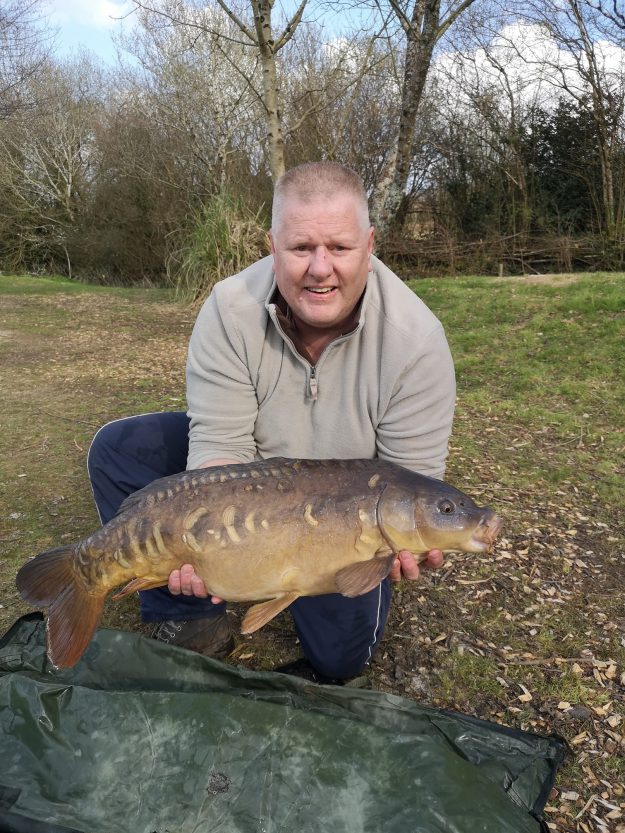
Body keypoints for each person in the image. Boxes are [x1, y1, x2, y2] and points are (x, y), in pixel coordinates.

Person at [87, 162, 456, 683]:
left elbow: (410, 481)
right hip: (252, 481)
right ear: (272, 245)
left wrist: (407, 548)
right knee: (122, 446)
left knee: (338, 661)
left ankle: (295, 598)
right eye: (301, 248)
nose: (320, 268)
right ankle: (189, 615)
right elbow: (219, 447)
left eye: (340, 248)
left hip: (345, 516)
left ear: (369, 245)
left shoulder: (417, 342)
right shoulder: (231, 307)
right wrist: (209, 546)